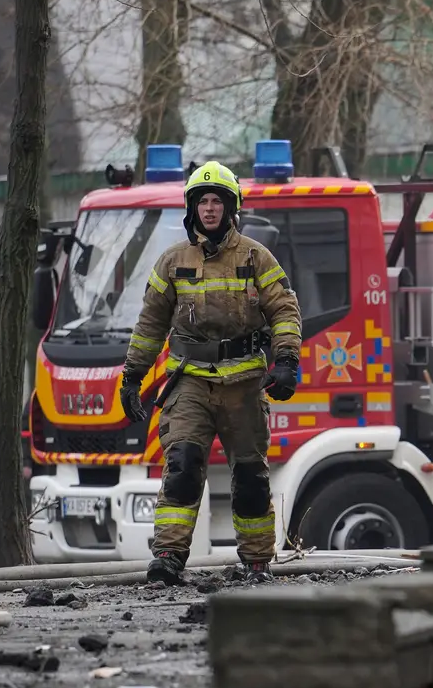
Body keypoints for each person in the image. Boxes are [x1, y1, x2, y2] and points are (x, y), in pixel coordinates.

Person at [120, 162, 304, 585]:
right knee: (182, 464)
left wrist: (287, 361)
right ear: (191, 207)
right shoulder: (172, 262)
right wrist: (133, 376)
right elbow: (150, 324)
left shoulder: (257, 257)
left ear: (230, 206)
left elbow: (285, 311)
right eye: (201, 201)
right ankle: (168, 555)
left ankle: (257, 561)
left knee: (251, 475)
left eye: (216, 201)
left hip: (244, 385)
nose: (208, 208)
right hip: (189, 383)